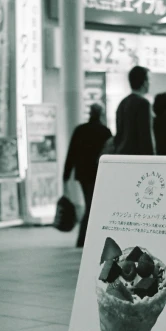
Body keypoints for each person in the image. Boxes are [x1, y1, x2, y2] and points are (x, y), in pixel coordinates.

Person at [63, 103, 112, 247]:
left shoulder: (80, 130)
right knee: (93, 206)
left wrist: (65, 175)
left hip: (83, 175)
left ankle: (85, 239)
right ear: (101, 114)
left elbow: (71, 153)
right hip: (99, 174)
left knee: (90, 204)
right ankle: (84, 240)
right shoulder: (105, 131)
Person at [112, 66, 155, 155]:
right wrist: (152, 160)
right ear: (144, 82)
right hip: (137, 157)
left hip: (122, 155)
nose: (150, 83)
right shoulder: (143, 104)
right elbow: (145, 137)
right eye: (149, 80)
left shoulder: (122, 103)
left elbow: (118, 136)